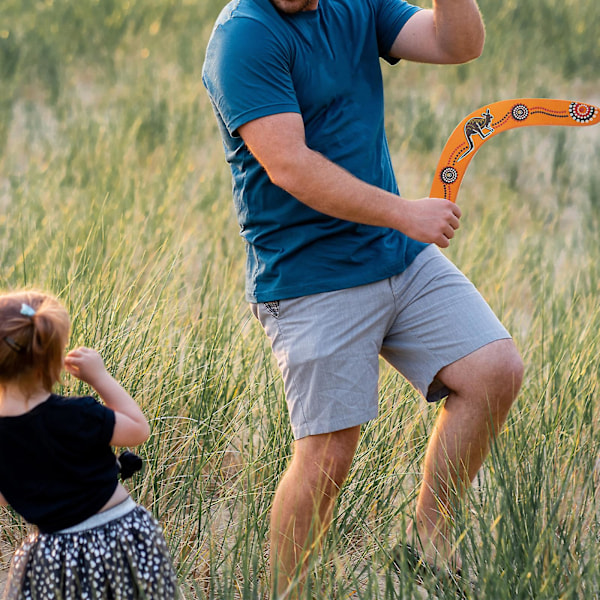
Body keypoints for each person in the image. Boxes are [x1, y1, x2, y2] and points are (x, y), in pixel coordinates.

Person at [203, 0, 524, 595]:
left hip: (395, 256)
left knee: (494, 369)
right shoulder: (243, 39)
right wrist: (405, 214)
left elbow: (457, 44)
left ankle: (430, 543)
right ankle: (285, 591)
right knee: (328, 451)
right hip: (309, 277)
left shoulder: (357, 3)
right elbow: (291, 166)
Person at [0, 290, 179, 600]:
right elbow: (138, 429)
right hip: (120, 536)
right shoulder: (77, 413)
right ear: (54, 360)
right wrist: (100, 377)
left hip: (52, 555)